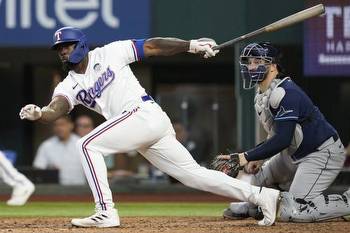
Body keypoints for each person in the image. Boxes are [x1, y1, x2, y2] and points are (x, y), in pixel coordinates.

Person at [19, 27, 280, 228]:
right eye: (59, 48)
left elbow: (153, 46)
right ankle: (260, 195)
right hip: (139, 127)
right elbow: (58, 107)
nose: (63, 51)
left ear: (81, 44)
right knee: (193, 175)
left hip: (143, 114)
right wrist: (40, 113)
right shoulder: (68, 84)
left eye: (67, 45)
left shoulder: (110, 52)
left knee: (86, 144)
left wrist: (191, 46)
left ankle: (106, 211)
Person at [221, 42, 350, 222]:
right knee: (257, 178)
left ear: (273, 66)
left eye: (257, 61)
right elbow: (275, 134)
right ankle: (254, 207)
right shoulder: (262, 95)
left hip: (320, 153)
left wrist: (246, 156)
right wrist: (258, 157)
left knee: (295, 212)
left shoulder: (286, 92)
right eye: (248, 62)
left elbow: (283, 139)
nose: (251, 66)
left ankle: (347, 202)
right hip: (293, 153)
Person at [33, 115, 86, 185]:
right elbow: (38, 169)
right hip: (56, 191)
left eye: (62, 124)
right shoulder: (46, 145)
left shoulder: (81, 144)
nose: (59, 128)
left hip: (81, 189)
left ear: (71, 125)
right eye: (56, 125)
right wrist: (49, 170)